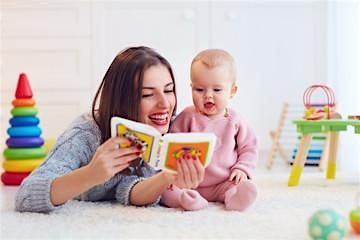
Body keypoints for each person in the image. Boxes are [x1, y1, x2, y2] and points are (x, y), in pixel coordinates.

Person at [15, 46, 205, 213]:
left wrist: (167, 177)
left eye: (169, 90)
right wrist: (90, 174)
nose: (165, 104)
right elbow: (26, 196)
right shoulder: (87, 134)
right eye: (147, 94)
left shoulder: (176, 127)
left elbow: (129, 189)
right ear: (121, 98)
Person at [161, 49, 258, 211]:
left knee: (236, 185)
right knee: (166, 190)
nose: (208, 96)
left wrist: (242, 168)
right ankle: (188, 200)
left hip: (223, 180)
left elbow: (249, 147)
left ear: (232, 91)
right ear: (191, 88)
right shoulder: (187, 117)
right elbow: (171, 144)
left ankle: (234, 198)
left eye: (217, 90)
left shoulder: (235, 120)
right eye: (200, 89)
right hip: (189, 182)